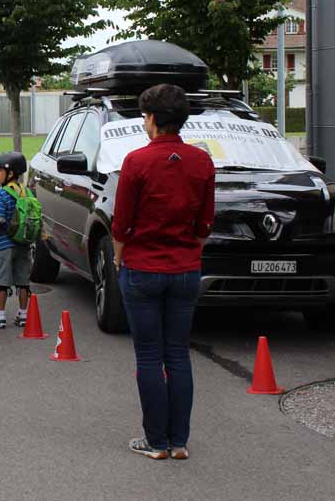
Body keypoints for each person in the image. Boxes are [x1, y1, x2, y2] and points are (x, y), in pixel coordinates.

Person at [111, 83, 215, 460]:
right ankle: (179, 441)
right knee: (178, 354)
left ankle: (155, 441)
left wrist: (119, 257)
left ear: (152, 119)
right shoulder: (202, 161)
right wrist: (190, 252)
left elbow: (121, 223)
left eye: (144, 116)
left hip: (142, 266)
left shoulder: (137, 161)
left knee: (149, 355)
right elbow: (205, 223)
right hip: (185, 269)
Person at [0, 151, 35, 329]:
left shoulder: (2, 194)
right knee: (23, 281)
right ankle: (23, 315)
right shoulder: (28, 192)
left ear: (10, 173)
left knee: (1, 281)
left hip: (4, 243)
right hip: (24, 243)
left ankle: (0, 316)